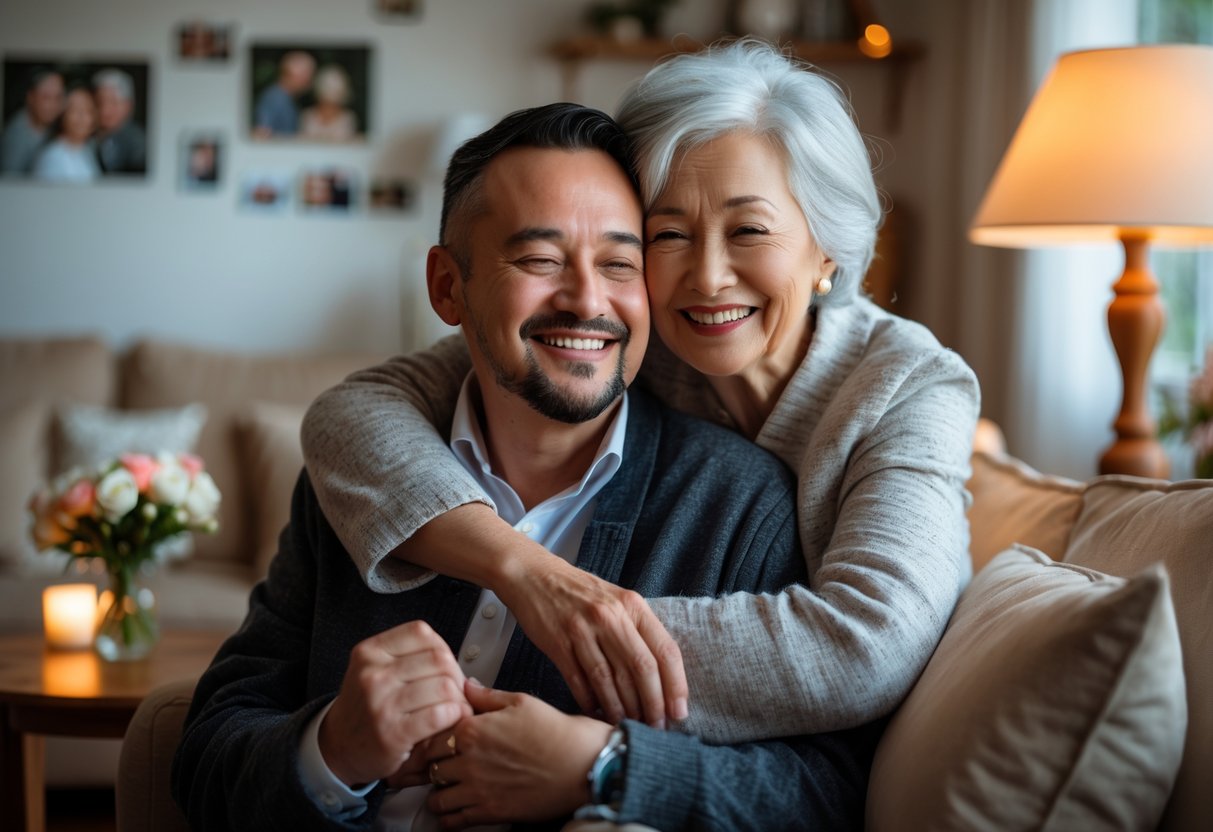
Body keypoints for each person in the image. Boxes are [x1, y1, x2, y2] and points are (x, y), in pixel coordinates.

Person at [172, 102, 880, 831]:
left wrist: (606, 770)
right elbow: (205, 749)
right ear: (448, 287)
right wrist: (335, 748)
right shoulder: (358, 484)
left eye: (620, 263)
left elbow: (824, 792)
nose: (584, 299)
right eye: (539, 260)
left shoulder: (738, 505)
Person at [300, 38, 981, 741]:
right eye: (667, 235)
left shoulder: (906, 386)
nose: (709, 277)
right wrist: (527, 575)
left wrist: (560, 638)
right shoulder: (634, 338)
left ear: (827, 251)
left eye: (748, 229)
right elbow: (354, 413)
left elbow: (865, 646)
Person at [1, 68, 65, 175]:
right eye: (46, 98)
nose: (53, 105)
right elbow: (9, 183)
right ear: (30, 97)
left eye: (57, 98)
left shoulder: (53, 125)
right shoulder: (17, 135)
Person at [32, 85, 100, 183]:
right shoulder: (52, 157)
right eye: (74, 110)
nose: (81, 117)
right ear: (62, 114)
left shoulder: (88, 150)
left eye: (88, 110)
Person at [93, 68, 147, 174]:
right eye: (99, 102)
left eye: (113, 102)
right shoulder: (91, 135)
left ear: (128, 105)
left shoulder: (138, 143)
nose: (105, 110)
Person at [253, 50, 316, 139]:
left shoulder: (286, 98)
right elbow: (262, 133)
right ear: (294, 75)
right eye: (306, 76)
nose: (309, 82)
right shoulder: (274, 98)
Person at [300, 64, 358, 141]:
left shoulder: (348, 119)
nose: (329, 107)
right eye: (326, 102)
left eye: (334, 103)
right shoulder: (307, 116)